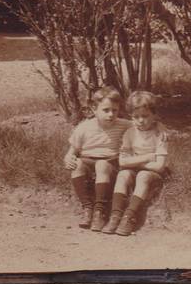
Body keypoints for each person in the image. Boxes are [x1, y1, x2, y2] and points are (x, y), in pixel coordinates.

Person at [103, 90, 169, 237]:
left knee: (143, 176)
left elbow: (159, 166)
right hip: (142, 166)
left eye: (145, 116)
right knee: (123, 175)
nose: (140, 120)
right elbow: (122, 162)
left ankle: (130, 216)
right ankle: (115, 215)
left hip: (152, 174)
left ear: (154, 115)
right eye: (136, 117)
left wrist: (134, 163)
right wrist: (148, 157)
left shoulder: (160, 134)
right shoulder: (130, 133)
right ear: (131, 117)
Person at [64, 86, 130, 231]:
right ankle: (87, 208)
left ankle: (100, 210)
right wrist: (69, 158)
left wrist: (161, 129)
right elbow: (72, 151)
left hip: (110, 161)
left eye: (115, 110)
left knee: (101, 165)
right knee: (78, 164)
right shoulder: (84, 127)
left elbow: (145, 126)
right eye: (106, 110)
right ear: (94, 109)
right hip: (87, 159)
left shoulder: (124, 125)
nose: (111, 114)